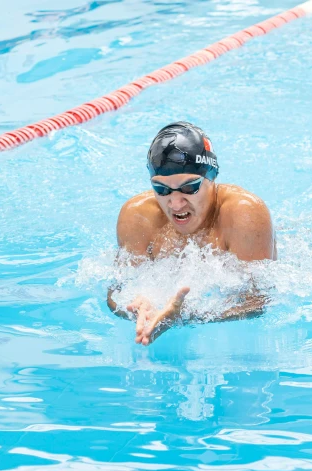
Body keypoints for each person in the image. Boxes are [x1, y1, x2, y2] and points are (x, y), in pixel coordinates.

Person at [107, 122, 276, 345]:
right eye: (161, 189)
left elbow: (259, 300)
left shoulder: (244, 214)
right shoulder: (138, 216)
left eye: (189, 187)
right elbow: (116, 290)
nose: (176, 203)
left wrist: (187, 316)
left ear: (212, 177)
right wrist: (134, 307)